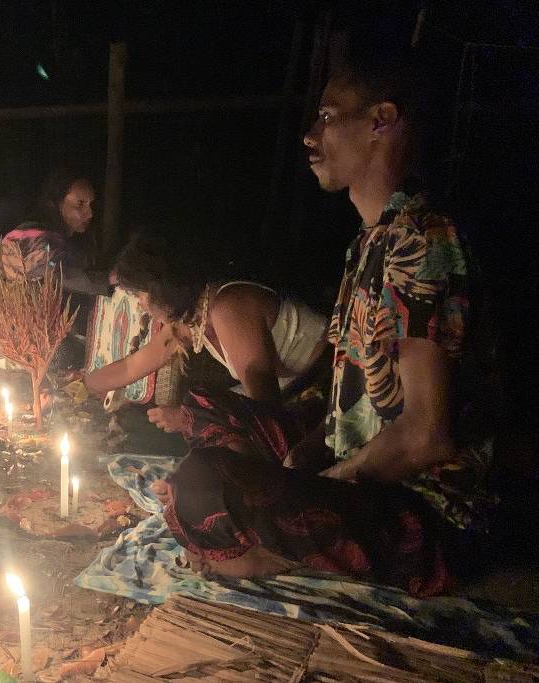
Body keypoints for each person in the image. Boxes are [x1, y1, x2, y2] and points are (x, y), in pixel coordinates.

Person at [159, 48, 499, 597]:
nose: (310, 136)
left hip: (427, 519)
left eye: (327, 115)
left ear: (380, 122)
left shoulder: (424, 241)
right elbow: (345, 400)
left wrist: (309, 483)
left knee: (200, 484)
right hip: (359, 473)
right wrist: (300, 457)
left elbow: (427, 436)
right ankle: (279, 535)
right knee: (206, 412)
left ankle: (271, 553)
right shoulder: (367, 245)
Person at [85, 234, 328, 433]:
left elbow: (267, 415)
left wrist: (192, 418)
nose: (140, 305)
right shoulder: (193, 318)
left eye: (139, 295)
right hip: (297, 394)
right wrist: (81, 384)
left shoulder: (228, 309)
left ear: (160, 288)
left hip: (328, 386)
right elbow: (131, 368)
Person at [0, 169, 106, 303]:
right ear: (57, 201)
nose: (90, 214)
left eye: (90, 205)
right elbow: (60, 274)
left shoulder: (61, 239)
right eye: (80, 203)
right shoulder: (31, 237)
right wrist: (109, 280)